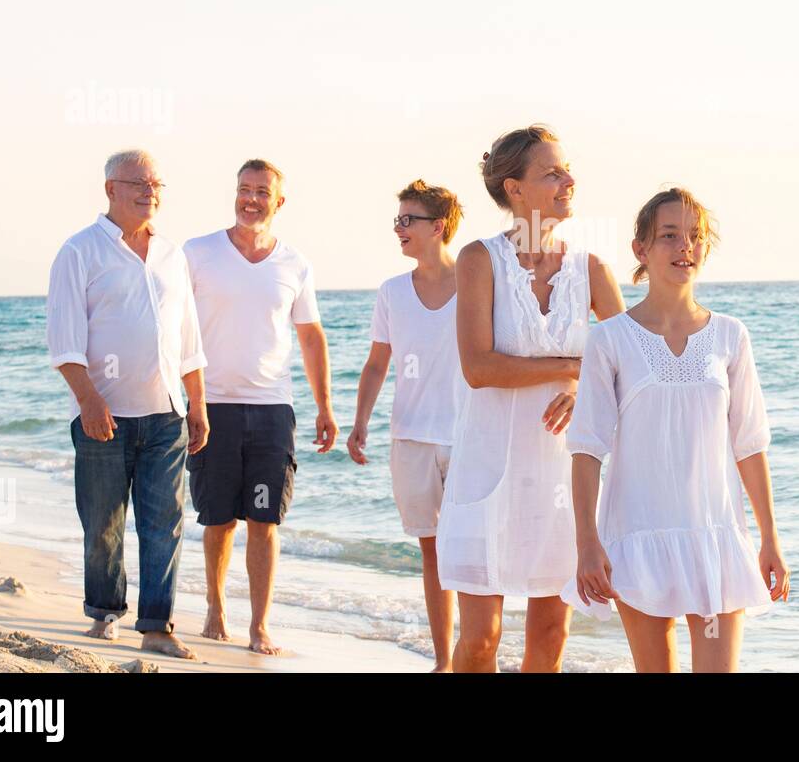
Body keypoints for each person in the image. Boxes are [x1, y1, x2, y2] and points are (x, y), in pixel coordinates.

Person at [561, 187, 791, 672]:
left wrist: (770, 538)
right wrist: (587, 543)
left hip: (715, 536)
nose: (685, 246)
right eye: (669, 235)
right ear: (641, 249)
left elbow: (750, 445)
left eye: (695, 236)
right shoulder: (610, 339)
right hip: (637, 536)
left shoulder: (730, 335)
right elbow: (586, 450)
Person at [436, 125, 625, 672]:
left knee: (550, 634)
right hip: (487, 469)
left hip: (561, 480)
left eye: (568, 171)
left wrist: (585, 387)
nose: (568, 181)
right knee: (481, 639)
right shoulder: (479, 260)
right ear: (514, 188)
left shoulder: (591, 269)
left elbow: (631, 366)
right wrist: (573, 368)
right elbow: (479, 368)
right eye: (552, 173)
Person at [46, 148, 208, 660]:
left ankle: (157, 625)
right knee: (103, 524)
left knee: (164, 524)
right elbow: (64, 342)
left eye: (156, 184)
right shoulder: (79, 251)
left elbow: (188, 339)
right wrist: (89, 401)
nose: (149, 192)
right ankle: (104, 612)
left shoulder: (172, 254)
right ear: (110, 189)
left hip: (166, 415)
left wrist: (198, 405)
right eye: (138, 183)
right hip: (105, 416)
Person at [182, 158, 335, 655]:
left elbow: (310, 338)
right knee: (218, 519)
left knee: (265, 521)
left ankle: (260, 625)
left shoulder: (295, 264)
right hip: (213, 405)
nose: (251, 199)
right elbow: (175, 326)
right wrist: (186, 398)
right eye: (244, 189)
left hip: (272, 410)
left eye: (262, 192)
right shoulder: (198, 253)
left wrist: (325, 407)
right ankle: (215, 607)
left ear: (278, 202)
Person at [347, 179, 465, 672]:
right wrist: (360, 422)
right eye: (397, 220)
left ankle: (475, 655)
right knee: (433, 554)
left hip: (470, 440)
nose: (398, 228)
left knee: (474, 554)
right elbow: (377, 363)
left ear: (438, 227)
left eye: (407, 220)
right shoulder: (392, 292)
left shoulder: (479, 284)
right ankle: (443, 661)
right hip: (412, 438)